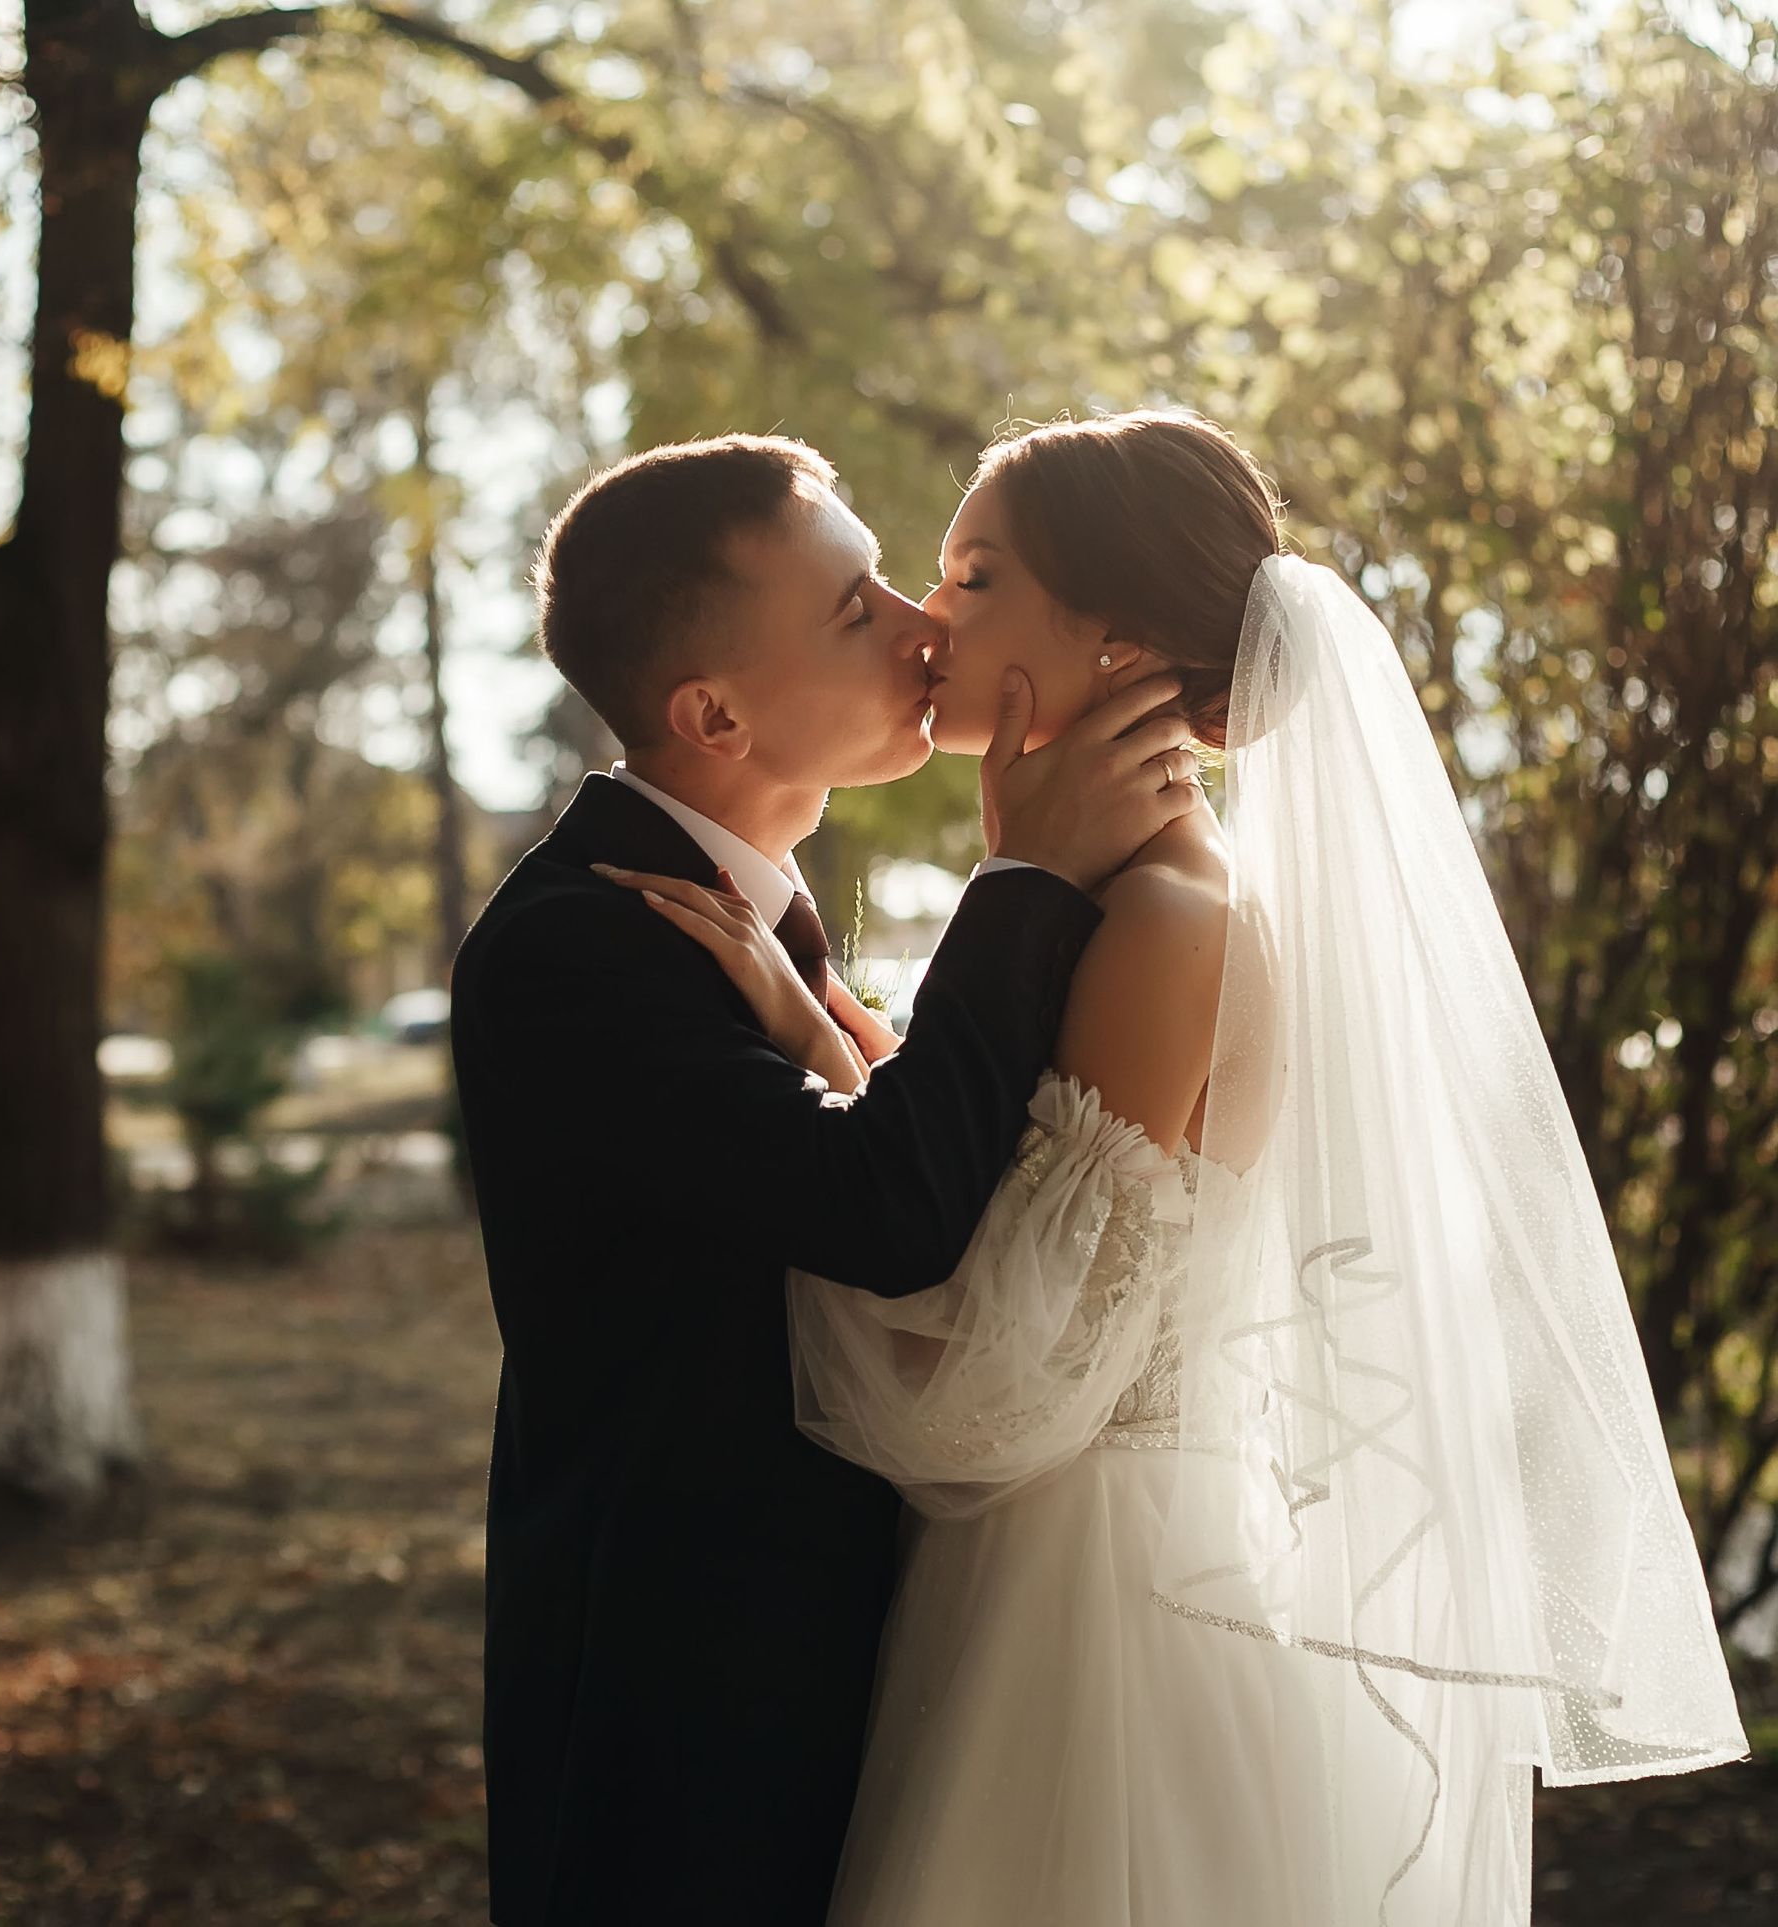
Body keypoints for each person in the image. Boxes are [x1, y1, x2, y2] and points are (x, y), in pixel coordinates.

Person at [605, 411, 1745, 1926]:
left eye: (977, 574)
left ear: (1126, 641)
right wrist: (844, 1041)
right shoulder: (1127, 896)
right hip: (1068, 1571)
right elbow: (1021, 1219)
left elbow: (996, 1383)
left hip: (1097, 1616)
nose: (933, 620)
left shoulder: (1168, 923)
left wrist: (807, 1078)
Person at [449, 433, 1206, 1926]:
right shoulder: (573, 949)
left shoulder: (761, 921)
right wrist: (1026, 880)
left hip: (890, 1674)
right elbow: (888, 1208)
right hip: (694, 1716)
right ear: (712, 710)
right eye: (861, 607)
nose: (926, 627)